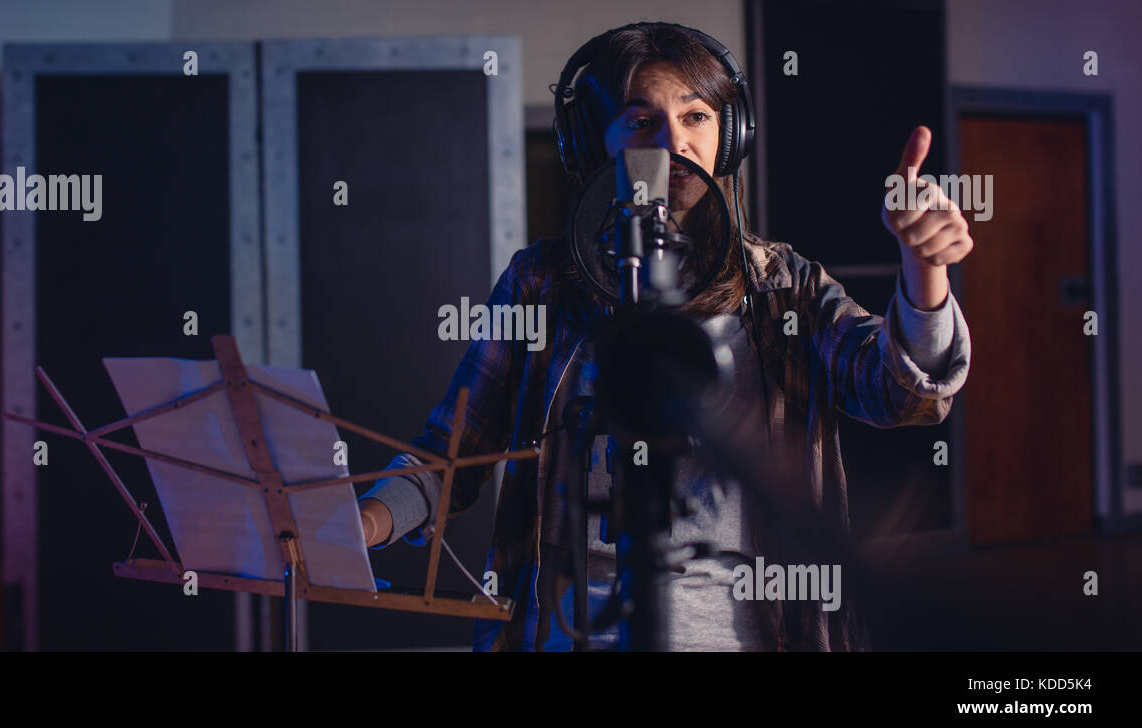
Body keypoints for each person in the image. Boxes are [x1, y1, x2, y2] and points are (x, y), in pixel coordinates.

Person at [357, 22, 972, 651]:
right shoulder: (539, 283)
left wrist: (925, 270)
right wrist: (359, 525)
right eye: (641, 121)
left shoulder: (783, 284)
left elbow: (902, 393)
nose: (674, 144)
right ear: (594, 144)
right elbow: (451, 455)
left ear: (728, 138)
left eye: (697, 117)